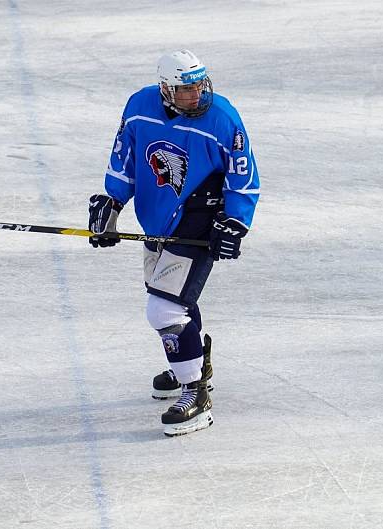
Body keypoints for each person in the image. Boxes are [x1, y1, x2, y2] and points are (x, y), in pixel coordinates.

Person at [87, 50, 260, 437]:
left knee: (163, 309)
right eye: (186, 90)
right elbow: (125, 158)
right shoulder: (139, 106)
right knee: (173, 298)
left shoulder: (222, 118)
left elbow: (243, 172)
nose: (196, 95)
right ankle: (193, 362)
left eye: (200, 85)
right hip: (157, 217)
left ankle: (196, 393)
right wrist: (112, 200)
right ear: (166, 89)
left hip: (201, 218)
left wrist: (236, 220)